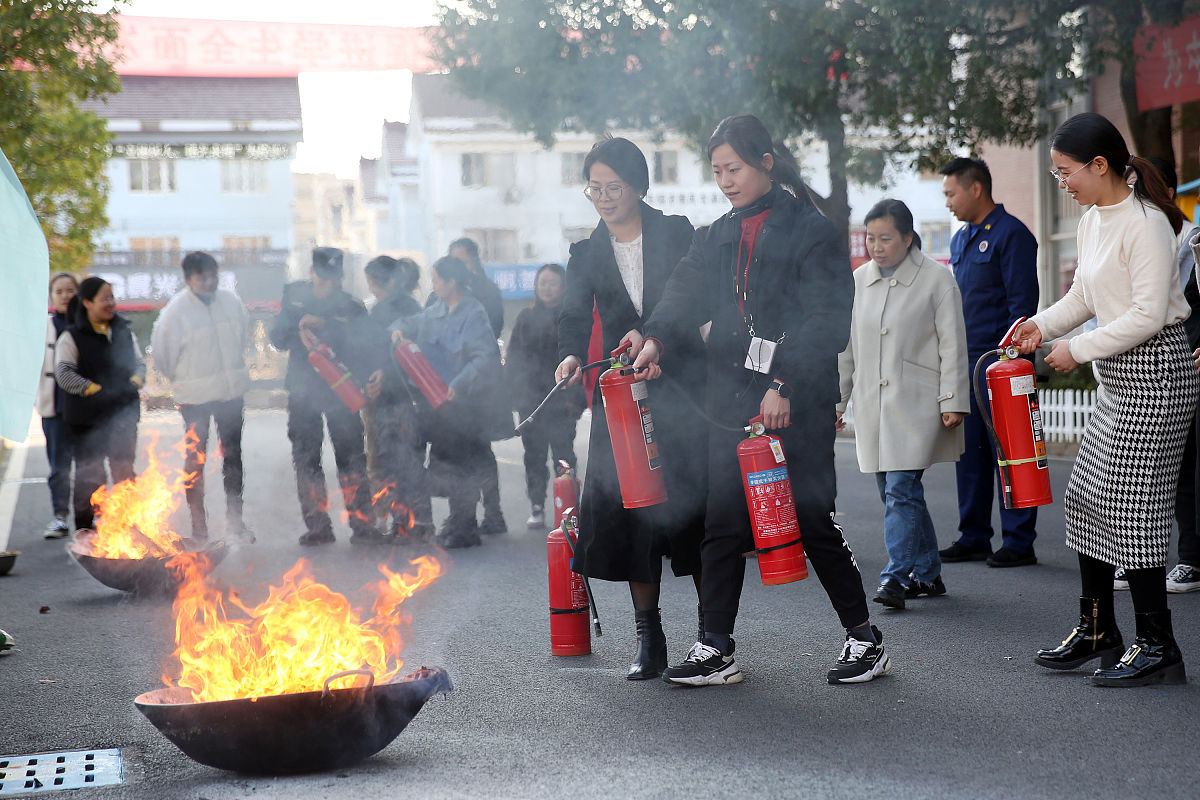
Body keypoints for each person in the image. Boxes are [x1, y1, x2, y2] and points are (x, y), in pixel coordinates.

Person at [632, 114, 890, 686]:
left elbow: (827, 319)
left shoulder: (812, 230)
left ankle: (865, 639)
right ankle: (716, 647)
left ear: (766, 163)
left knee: (811, 518)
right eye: (717, 171)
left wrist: (785, 383)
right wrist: (655, 339)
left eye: (735, 168)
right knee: (721, 524)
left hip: (798, 399)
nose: (725, 181)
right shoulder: (715, 235)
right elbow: (682, 293)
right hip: (733, 400)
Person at [1017, 112, 1196, 687]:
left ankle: (1158, 645)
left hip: (1157, 376)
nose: (1062, 183)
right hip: (1119, 377)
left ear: (1099, 165)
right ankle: (1098, 630)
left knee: (1133, 509)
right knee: (1086, 498)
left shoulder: (1147, 223)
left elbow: (1147, 315)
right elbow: (1082, 295)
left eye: (1066, 172)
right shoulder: (1095, 218)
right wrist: (1040, 327)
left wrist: (1077, 348)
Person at [555, 137, 707, 681]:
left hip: (681, 386)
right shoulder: (585, 252)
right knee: (633, 512)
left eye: (612, 187)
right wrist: (572, 354)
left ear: (639, 186)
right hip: (621, 394)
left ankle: (712, 634)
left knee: (695, 511)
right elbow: (574, 314)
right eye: (594, 188)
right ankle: (649, 635)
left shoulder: (677, 232)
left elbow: (693, 299)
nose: (602, 197)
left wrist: (662, 340)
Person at [837, 199, 968, 610]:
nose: (876, 246)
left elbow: (953, 344)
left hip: (918, 404)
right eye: (870, 238)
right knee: (896, 491)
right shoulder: (859, 281)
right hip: (874, 407)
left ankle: (896, 577)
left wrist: (953, 399)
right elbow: (846, 350)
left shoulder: (936, 280)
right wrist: (836, 401)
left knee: (900, 489)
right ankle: (928, 573)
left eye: (886, 238)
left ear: (908, 238)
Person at [938, 156, 1041, 568]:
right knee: (970, 452)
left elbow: (1022, 306)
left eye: (951, 193)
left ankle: (1019, 541)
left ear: (975, 188)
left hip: (1000, 361)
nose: (948, 202)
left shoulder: (1011, 235)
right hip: (966, 360)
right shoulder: (961, 239)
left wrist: (1013, 359)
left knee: (1012, 450)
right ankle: (974, 535)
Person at [269, 247, 383, 546]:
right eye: (322, 280)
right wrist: (296, 327)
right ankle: (318, 525)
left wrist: (326, 324)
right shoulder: (293, 296)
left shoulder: (352, 306)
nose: (328, 286)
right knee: (306, 458)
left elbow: (365, 344)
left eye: (334, 280)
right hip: (303, 390)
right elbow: (277, 338)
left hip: (341, 390)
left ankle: (362, 524)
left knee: (351, 457)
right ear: (311, 273)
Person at [393, 256, 508, 548]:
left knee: (462, 464)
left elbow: (484, 357)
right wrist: (399, 329)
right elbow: (411, 322)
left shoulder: (473, 313)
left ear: (451, 282)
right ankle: (457, 521)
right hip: (438, 403)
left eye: (436, 280)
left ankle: (465, 528)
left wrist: (459, 384)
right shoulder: (436, 311)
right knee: (445, 464)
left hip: (465, 404)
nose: (433, 285)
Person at [150, 252, 252, 542]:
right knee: (196, 460)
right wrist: (185, 381)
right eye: (202, 278)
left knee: (233, 458)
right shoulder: (176, 312)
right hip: (195, 398)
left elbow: (242, 338)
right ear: (188, 279)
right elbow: (163, 356)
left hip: (230, 393)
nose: (209, 282)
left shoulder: (231, 302)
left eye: (213, 276)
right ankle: (199, 528)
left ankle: (236, 523)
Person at [54, 276, 145, 532]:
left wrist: (137, 380)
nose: (111, 303)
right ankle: (85, 531)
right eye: (104, 298)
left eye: (112, 298)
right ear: (87, 303)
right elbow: (64, 373)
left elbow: (139, 363)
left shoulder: (123, 331)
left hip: (123, 417)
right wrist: (92, 389)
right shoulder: (71, 336)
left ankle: (128, 528)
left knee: (124, 472)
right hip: (87, 420)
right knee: (90, 476)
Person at [362, 255, 434, 542]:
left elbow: (412, 356)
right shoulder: (378, 310)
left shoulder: (410, 311)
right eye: (370, 284)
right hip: (383, 401)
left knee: (409, 463)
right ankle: (402, 521)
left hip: (405, 399)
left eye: (376, 284)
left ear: (392, 280)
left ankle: (420, 523)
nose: (373, 290)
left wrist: (385, 373)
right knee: (390, 463)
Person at [438, 237, 508, 536]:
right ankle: (461, 515)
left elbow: (492, 333)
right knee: (455, 452)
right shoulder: (441, 293)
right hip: (450, 387)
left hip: (479, 388)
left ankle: (492, 512)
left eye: (462, 260)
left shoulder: (485, 293)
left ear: (474, 261)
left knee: (480, 449)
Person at [508, 263, 582, 528]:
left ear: (563, 287)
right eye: (542, 283)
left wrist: (576, 401)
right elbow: (513, 359)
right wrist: (515, 395)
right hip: (531, 402)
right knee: (534, 456)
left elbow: (580, 361)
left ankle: (570, 509)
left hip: (562, 401)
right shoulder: (525, 317)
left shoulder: (569, 318)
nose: (547, 288)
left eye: (552, 283)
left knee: (564, 456)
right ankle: (537, 506)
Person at [36, 272, 78, 538]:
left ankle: (93, 515)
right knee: (58, 466)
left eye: (70, 290)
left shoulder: (87, 323)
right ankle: (60, 516)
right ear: (51, 296)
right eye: (59, 291)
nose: (65, 296)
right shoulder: (43, 327)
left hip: (85, 406)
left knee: (90, 464)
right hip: (55, 406)